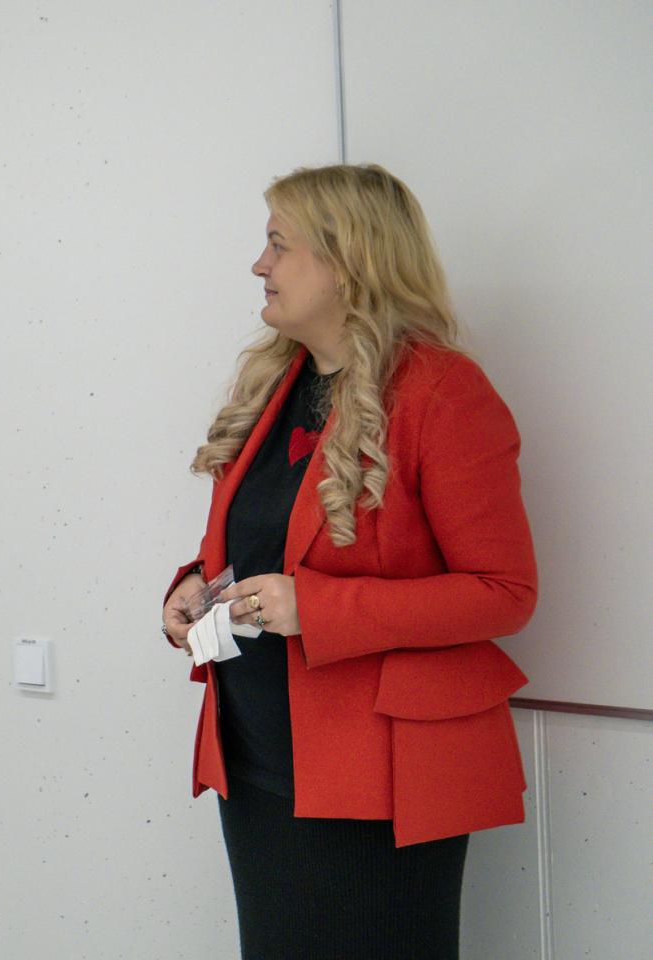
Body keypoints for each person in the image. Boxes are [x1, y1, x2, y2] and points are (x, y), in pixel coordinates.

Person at [161, 164, 537, 959]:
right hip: (259, 764)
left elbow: (503, 592)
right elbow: (269, 541)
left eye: (278, 244)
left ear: (346, 260)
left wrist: (318, 608)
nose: (259, 264)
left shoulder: (443, 392)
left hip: (382, 779)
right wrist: (194, 585)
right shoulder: (276, 382)